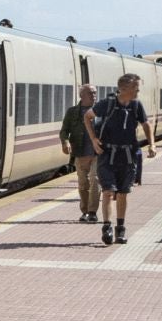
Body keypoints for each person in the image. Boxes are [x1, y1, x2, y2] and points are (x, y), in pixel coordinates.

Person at [85, 73, 154, 246]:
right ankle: (107, 226)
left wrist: (152, 144)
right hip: (107, 153)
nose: (138, 90)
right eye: (136, 87)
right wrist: (93, 140)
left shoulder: (136, 105)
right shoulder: (107, 104)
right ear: (125, 88)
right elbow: (87, 116)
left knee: (123, 193)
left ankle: (120, 229)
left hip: (128, 155)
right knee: (108, 191)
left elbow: (146, 124)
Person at [59, 83, 100, 223]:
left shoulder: (101, 111)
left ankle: (93, 212)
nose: (94, 96)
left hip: (98, 153)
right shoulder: (72, 112)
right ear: (82, 95)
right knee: (83, 184)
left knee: (95, 180)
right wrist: (65, 142)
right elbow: (64, 130)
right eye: (91, 93)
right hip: (80, 152)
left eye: (95, 93)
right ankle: (85, 211)